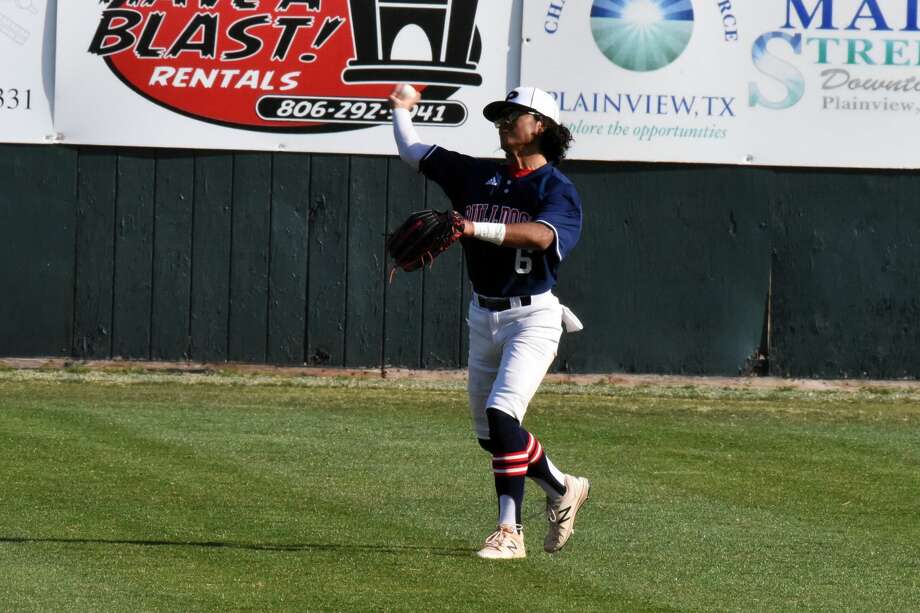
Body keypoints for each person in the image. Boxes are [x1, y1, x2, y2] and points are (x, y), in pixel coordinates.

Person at [388, 84, 589, 560]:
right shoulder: (476, 175)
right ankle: (563, 487)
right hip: (483, 315)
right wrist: (400, 109)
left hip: (534, 317)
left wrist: (472, 227)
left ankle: (509, 532)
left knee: (504, 417)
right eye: (499, 115)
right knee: (491, 436)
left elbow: (542, 236)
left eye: (513, 115)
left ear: (541, 126)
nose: (502, 122)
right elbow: (413, 151)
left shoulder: (556, 188)